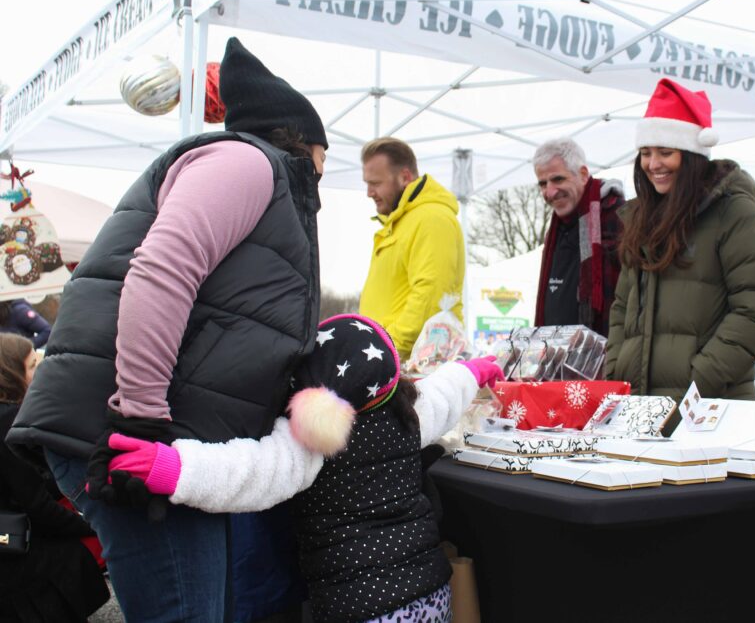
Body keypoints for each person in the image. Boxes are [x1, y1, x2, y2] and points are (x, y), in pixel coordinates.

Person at [6, 37, 327, 622]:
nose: (323, 178)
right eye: (322, 160)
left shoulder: (264, 177)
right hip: (131, 432)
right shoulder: (245, 162)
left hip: (169, 436)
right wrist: (139, 417)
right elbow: (161, 272)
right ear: (302, 141)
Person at [103, 314, 502, 623]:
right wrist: (479, 369)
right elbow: (448, 388)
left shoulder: (311, 440)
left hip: (356, 606)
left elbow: (249, 472)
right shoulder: (409, 413)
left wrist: (171, 468)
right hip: (429, 592)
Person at [605, 78, 755, 433]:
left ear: (690, 156)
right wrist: (617, 371)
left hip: (711, 413)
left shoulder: (734, 214)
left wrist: (698, 382)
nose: (653, 164)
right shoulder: (640, 219)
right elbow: (621, 309)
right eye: (645, 153)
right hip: (639, 412)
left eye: (665, 152)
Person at [0, 334, 110, 622]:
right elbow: (38, 507)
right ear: (11, 375)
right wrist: (93, 525)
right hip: (22, 563)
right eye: (33, 365)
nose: (41, 370)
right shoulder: (8, 425)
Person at [359, 137, 465, 359]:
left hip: (414, 367)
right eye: (367, 183)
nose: (369, 192)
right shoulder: (400, 222)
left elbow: (430, 296)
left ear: (405, 177)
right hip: (393, 363)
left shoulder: (431, 218)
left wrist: (386, 350)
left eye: (376, 183)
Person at [532, 138, 625, 336]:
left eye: (558, 179)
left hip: (604, 357)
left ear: (583, 174)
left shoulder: (615, 218)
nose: (549, 192)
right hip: (556, 357)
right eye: (542, 184)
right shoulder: (556, 229)